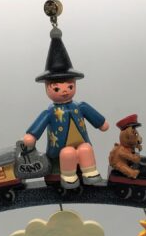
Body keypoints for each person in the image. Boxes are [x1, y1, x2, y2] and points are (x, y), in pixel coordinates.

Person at [23, 28, 109, 189]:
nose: (64, 91)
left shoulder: (80, 106)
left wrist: (101, 123)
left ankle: (90, 173)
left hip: (81, 142)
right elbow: (39, 124)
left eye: (69, 86)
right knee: (67, 153)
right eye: (57, 88)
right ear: (47, 88)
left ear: (74, 84)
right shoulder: (50, 112)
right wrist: (31, 135)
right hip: (60, 147)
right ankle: (68, 177)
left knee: (86, 149)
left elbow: (95, 117)